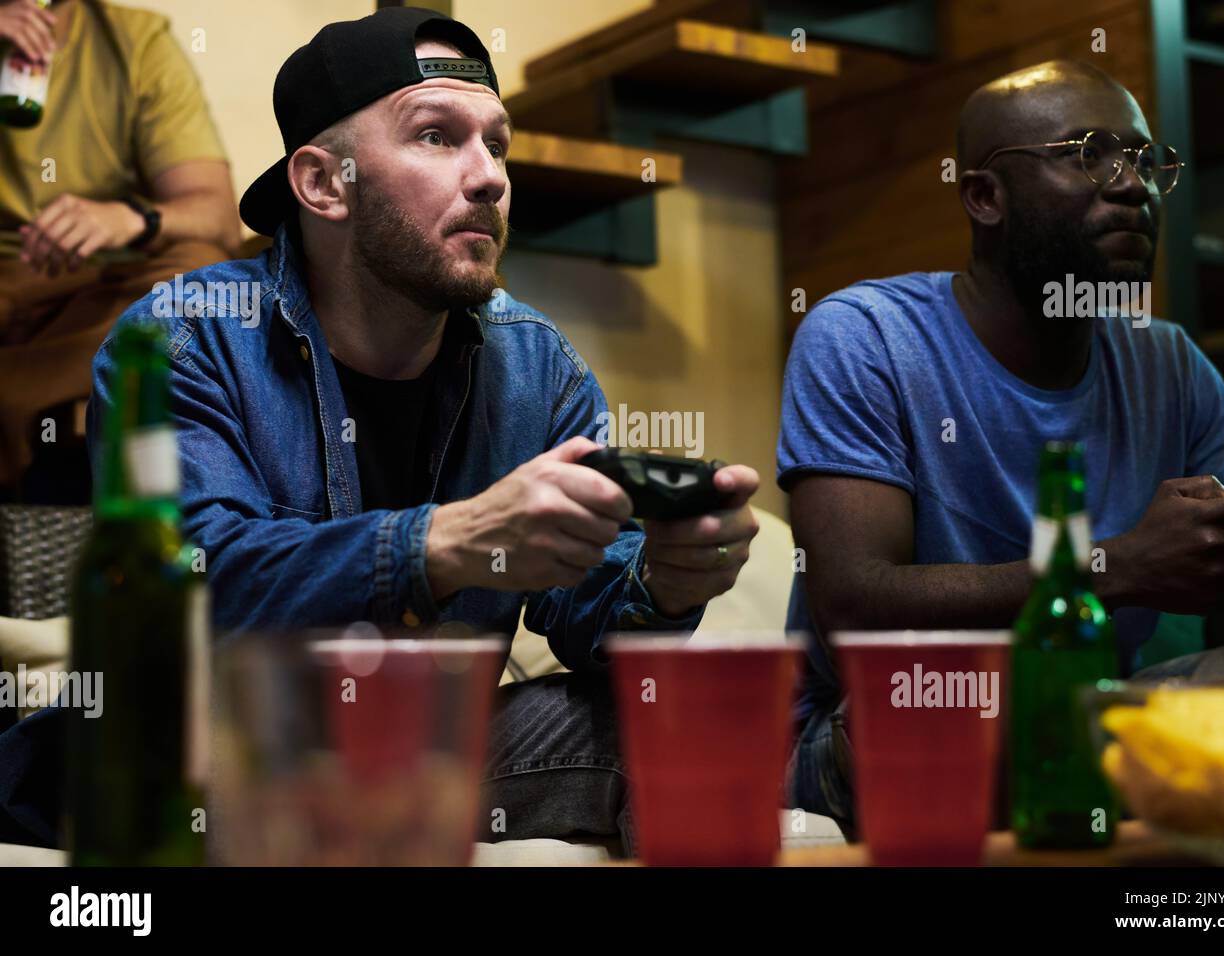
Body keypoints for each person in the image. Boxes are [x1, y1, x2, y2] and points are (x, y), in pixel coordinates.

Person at [80, 7, 759, 853]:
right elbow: (186, 588)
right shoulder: (181, 339)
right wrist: (446, 542)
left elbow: (592, 619)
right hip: (218, 766)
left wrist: (666, 581)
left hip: (424, 760)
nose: (490, 178)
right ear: (325, 183)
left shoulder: (538, 367)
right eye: (437, 136)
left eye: (498, 145)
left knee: (673, 723)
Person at [779, 60, 1224, 832]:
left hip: (1097, 703)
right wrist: (1116, 568)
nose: (1133, 186)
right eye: (1089, 154)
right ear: (984, 196)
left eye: (1147, 161)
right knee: (948, 706)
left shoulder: (1172, 364)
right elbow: (854, 607)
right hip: (887, 718)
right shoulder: (868, 338)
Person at [0, 0, 240, 494]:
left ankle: (24, 397)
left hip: (96, 284)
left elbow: (217, 215)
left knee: (201, 275)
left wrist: (132, 217)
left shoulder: (134, 40)